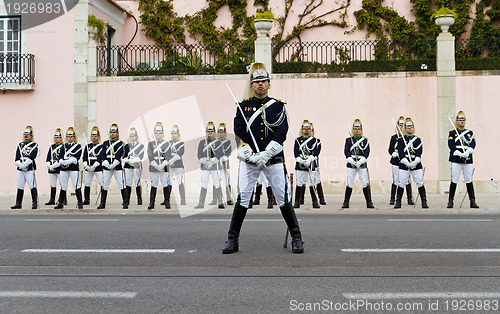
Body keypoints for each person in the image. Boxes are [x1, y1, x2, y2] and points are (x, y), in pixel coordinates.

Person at [222, 63, 304, 254]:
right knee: (242, 199)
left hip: (273, 159)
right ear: (252, 85)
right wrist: (249, 151)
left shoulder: (278, 106)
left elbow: (281, 132)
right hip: (250, 160)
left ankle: (297, 238)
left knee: (282, 199)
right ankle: (232, 239)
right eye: (256, 81)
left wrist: (267, 153)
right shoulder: (243, 107)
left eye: (263, 81)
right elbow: (239, 130)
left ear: (269, 83)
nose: (260, 84)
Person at [394, 117, 428, 209]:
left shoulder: (418, 140)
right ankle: (398, 202)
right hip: (404, 164)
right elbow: (401, 153)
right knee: (401, 183)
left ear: (413, 127)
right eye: (408, 127)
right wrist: (407, 163)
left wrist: (414, 162)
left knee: (419, 182)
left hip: (416, 164)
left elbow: (419, 153)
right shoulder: (401, 140)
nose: (409, 129)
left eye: (411, 127)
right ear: (405, 128)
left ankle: (424, 201)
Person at [447, 111, 479, 208]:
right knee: (454, 180)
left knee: (469, 180)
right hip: (456, 159)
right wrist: (459, 153)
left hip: (467, 159)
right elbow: (451, 145)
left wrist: (468, 152)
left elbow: (473, 143)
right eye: (460, 120)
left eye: (463, 120)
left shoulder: (470, 133)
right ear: (457, 121)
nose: (462, 122)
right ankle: (450, 201)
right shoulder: (452, 133)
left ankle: (472, 201)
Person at [341, 119, 374, 209]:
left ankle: (369, 202)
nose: (357, 130)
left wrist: (361, 161)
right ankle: (346, 202)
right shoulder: (349, 140)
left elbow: (367, 152)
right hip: (351, 163)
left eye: (359, 129)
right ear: (353, 129)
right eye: (355, 129)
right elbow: (346, 151)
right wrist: (351, 160)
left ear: (361, 129)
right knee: (350, 182)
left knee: (364, 182)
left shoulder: (365, 140)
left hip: (361, 163)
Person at [97, 123, 129, 209]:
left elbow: (119, 154)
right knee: (105, 185)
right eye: (111, 132)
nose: (112, 134)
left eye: (114, 132)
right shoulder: (105, 143)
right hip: (107, 167)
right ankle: (102, 203)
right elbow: (102, 154)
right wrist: (106, 163)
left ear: (117, 133)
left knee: (121, 184)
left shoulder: (121, 143)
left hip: (117, 166)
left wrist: (114, 163)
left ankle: (125, 202)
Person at [194, 122, 224, 209]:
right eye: (208, 131)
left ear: (214, 131)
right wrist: (205, 162)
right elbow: (199, 155)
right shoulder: (202, 142)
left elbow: (219, 153)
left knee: (217, 183)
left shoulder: (218, 142)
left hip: (215, 166)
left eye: (211, 131)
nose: (209, 132)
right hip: (204, 167)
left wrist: (212, 161)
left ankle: (220, 202)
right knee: (204, 184)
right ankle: (201, 203)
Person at [293, 120, 320, 209]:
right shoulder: (298, 140)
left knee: (311, 183)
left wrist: (310, 159)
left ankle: (315, 201)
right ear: (302, 129)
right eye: (305, 128)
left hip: (310, 164)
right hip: (300, 164)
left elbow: (316, 152)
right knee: (299, 183)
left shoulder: (315, 140)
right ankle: (297, 202)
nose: (306, 130)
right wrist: (300, 160)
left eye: (308, 128)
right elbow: (296, 152)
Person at [55, 127, 83, 209]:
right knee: (63, 186)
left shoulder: (78, 146)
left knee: (76, 185)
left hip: (73, 168)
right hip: (64, 169)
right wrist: (62, 162)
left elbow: (76, 158)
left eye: (71, 136)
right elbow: (60, 157)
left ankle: (80, 202)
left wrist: (69, 161)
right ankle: (61, 202)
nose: (70, 138)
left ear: (74, 137)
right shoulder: (63, 146)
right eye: (68, 136)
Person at [12, 126, 39, 209]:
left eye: (28, 134)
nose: (26, 136)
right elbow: (16, 157)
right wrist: (20, 164)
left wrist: (25, 164)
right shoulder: (20, 145)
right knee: (20, 185)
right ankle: (18, 203)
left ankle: (35, 202)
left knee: (32, 185)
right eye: (25, 134)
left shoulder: (34, 145)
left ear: (31, 136)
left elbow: (32, 156)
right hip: (20, 169)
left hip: (29, 168)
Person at [388, 116, 413, 205]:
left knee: (407, 180)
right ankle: (392, 198)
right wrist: (393, 153)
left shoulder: (408, 138)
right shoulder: (394, 138)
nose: (401, 127)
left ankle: (409, 198)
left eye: (403, 125)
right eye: (399, 125)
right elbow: (390, 150)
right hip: (396, 161)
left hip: (405, 161)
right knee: (395, 179)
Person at [147, 122, 171, 209]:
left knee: (165, 184)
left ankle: (167, 202)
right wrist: (156, 165)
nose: (158, 134)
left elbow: (168, 156)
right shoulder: (151, 144)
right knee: (154, 184)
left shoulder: (167, 144)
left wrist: (162, 165)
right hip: (154, 167)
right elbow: (150, 156)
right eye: (156, 133)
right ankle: (151, 203)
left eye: (160, 133)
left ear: (163, 133)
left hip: (163, 167)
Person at [82, 126, 103, 205]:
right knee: (87, 183)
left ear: (98, 136)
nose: (94, 138)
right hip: (88, 167)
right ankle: (86, 199)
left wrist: (94, 166)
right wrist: (86, 166)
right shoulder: (88, 146)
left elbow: (100, 157)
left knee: (101, 183)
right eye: (93, 136)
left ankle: (102, 200)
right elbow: (84, 157)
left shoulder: (101, 146)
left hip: (98, 168)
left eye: (96, 136)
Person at [123, 127, 144, 206]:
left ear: (136, 136)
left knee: (137, 182)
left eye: (133, 136)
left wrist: (133, 160)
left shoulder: (141, 146)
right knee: (128, 183)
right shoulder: (126, 146)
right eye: (130, 136)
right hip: (128, 166)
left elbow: (140, 156)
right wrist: (128, 160)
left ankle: (139, 199)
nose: (132, 137)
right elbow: (124, 156)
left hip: (136, 166)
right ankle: (127, 200)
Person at [167, 125, 186, 205]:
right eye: (172, 133)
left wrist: (172, 159)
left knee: (180, 181)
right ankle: (167, 200)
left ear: (178, 134)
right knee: (169, 182)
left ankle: (183, 199)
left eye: (175, 133)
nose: (173, 135)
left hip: (178, 164)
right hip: (170, 165)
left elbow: (180, 154)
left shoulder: (181, 143)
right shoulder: (168, 143)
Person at [44, 128, 63, 206]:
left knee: (62, 184)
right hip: (51, 168)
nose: (56, 139)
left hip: (59, 168)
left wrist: (55, 165)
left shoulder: (63, 147)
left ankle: (63, 199)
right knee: (52, 184)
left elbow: (61, 158)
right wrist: (49, 165)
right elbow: (48, 157)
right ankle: (52, 199)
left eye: (58, 137)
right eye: (55, 137)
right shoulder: (52, 147)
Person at [217, 123, 233, 206]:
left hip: (226, 163)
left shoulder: (228, 142)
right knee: (218, 181)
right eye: (219, 131)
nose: (221, 133)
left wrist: (225, 156)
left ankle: (229, 199)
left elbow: (229, 151)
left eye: (222, 131)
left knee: (227, 180)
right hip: (218, 164)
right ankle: (220, 200)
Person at [310, 122, 326, 205]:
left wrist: (312, 156)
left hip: (314, 164)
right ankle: (300, 199)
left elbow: (317, 151)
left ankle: (321, 198)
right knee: (301, 183)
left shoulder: (317, 141)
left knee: (317, 181)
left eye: (312, 130)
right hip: (303, 163)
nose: (311, 132)